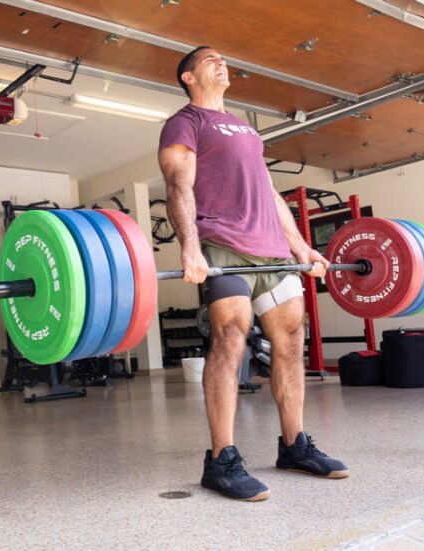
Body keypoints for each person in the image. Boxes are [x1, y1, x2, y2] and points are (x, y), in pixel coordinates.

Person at [158, 47, 349, 501]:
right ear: (188, 76)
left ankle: (294, 446)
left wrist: (302, 246)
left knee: (290, 342)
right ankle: (221, 460)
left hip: (272, 250)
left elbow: (267, 190)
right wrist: (190, 247)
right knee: (230, 338)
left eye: (225, 58)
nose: (222, 63)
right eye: (209, 59)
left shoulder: (245, 126)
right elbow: (177, 184)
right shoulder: (185, 121)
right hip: (223, 244)